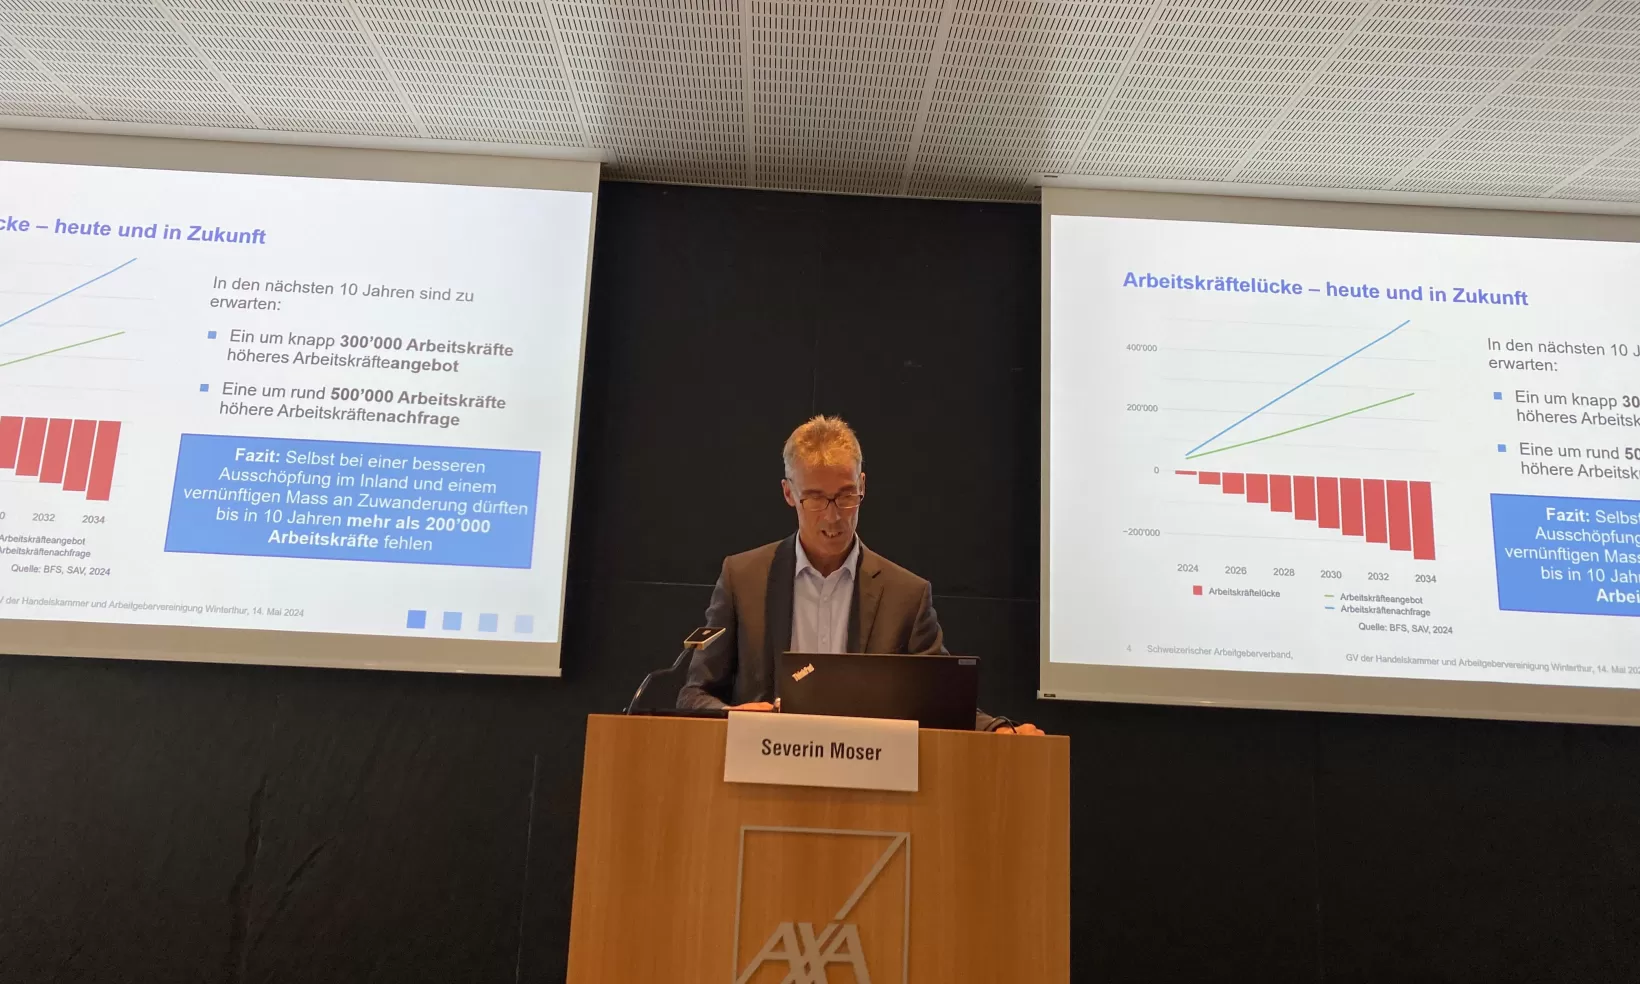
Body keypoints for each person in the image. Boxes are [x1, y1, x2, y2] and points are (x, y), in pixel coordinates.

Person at [677, 415, 1042, 734]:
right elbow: (694, 694)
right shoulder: (743, 579)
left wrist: (998, 729)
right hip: (761, 769)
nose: (833, 516)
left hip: (867, 775)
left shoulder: (906, 596)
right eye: (815, 498)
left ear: (863, 485)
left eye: (846, 496)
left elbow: (942, 703)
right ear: (789, 493)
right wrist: (733, 716)